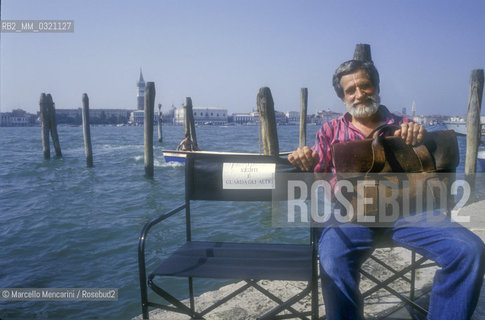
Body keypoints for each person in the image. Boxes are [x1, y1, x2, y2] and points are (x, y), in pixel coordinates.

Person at [288, 59, 485, 319]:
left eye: (365, 86)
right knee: (332, 261)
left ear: (377, 87)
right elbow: (315, 183)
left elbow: (428, 167)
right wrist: (306, 163)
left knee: (469, 250)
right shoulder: (329, 131)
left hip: (409, 211)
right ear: (343, 97)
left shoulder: (404, 125)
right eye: (350, 90)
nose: (359, 94)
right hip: (351, 215)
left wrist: (419, 135)